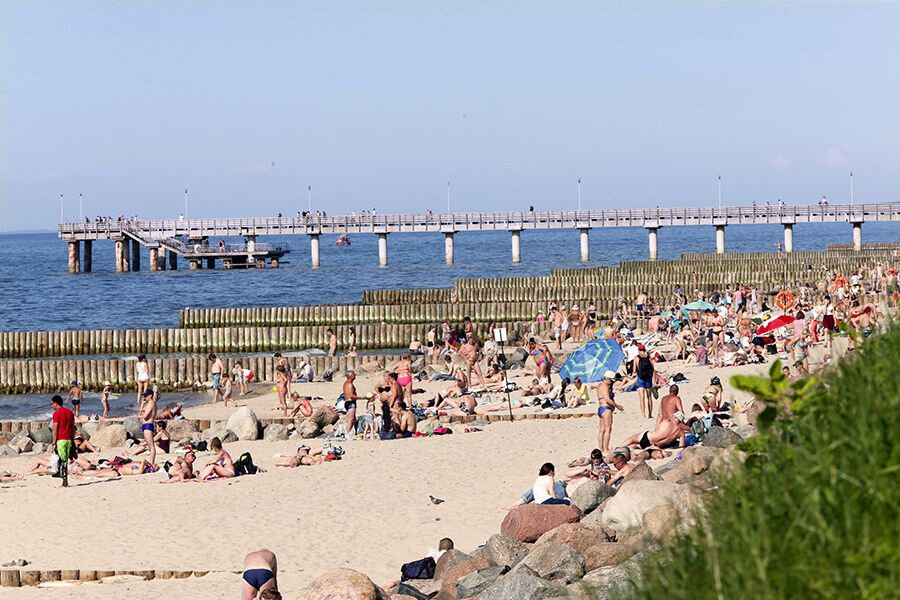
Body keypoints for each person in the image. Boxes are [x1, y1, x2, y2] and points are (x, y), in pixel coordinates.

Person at [596, 370, 625, 453]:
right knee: (608, 429)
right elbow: (607, 399)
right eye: (611, 381)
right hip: (606, 409)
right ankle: (605, 448)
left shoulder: (600, 385)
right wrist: (617, 406)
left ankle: (601, 448)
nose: (612, 382)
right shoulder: (604, 386)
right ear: (607, 378)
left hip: (601, 408)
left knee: (602, 430)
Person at [51, 395, 75, 487]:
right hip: (68, 439)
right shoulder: (70, 412)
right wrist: (72, 440)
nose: (51, 405)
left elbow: (55, 429)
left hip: (61, 439)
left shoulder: (56, 414)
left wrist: (54, 442)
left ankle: (65, 482)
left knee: (62, 461)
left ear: (56, 403)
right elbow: (72, 428)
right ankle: (64, 481)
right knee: (64, 460)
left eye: (52, 403)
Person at [622, 417, 686, 451]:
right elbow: (681, 446)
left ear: (675, 417)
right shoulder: (681, 432)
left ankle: (620, 447)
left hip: (648, 437)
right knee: (636, 445)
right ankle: (629, 447)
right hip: (655, 446)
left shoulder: (666, 421)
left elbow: (657, 429)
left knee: (633, 438)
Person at [633, 344, 655, 419]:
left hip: (640, 379)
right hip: (648, 379)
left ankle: (643, 414)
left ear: (638, 350)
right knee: (649, 397)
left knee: (642, 398)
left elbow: (634, 370)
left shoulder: (636, 358)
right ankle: (650, 414)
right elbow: (653, 369)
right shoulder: (649, 358)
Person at [139, 388, 158, 466]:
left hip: (148, 425)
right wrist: (142, 404)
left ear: (150, 395)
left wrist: (142, 413)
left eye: (146, 396)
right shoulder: (149, 403)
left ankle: (152, 462)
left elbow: (145, 416)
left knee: (151, 446)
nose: (145, 397)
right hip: (146, 425)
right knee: (149, 445)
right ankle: (151, 462)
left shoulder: (151, 403)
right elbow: (141, 412)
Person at [343, 371, 364, 437]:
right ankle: (348, 433)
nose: (355, 375)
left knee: (354, 418)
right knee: (351, 418)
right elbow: (351, 396)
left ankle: (354, 431)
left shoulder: (346, 383)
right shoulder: (349, 384)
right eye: (353, 374)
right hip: (350, 402)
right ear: (351, 376)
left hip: (348, 402)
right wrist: (363, 397)